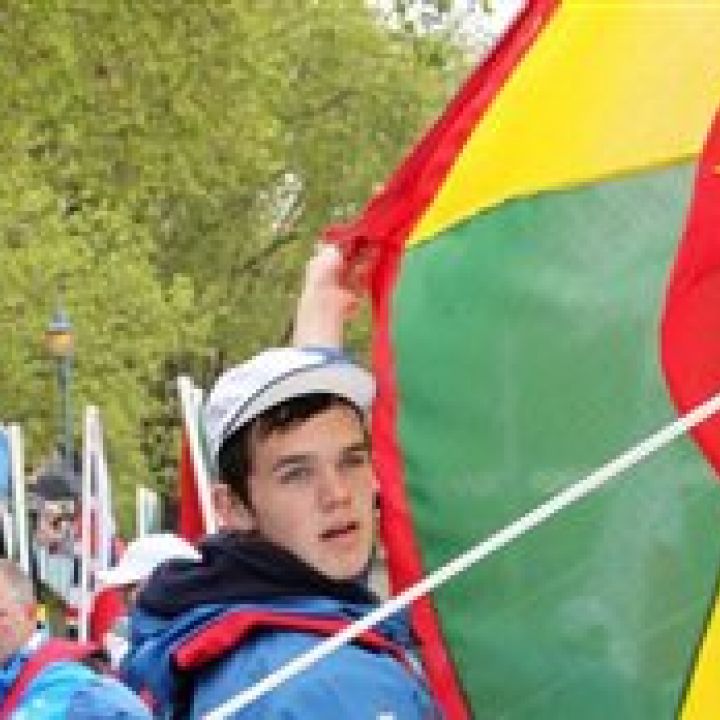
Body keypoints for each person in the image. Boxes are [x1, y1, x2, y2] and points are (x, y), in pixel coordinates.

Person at [122, 246, 442, 718]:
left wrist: (318, 331)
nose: (337, 494)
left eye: (351, 461)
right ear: (232, 507)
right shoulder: (323, 683)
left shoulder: (219, 618)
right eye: (296, 475)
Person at [0, 559, 150, 719]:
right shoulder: (15, 671)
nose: (125, 599)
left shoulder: (65, 679)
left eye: (1, 614)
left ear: (30, 614)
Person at [95, 533, 201, 669]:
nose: (122, 598)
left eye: (131, 586)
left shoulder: (192, 645)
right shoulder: (128, 632)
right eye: (121, 588)